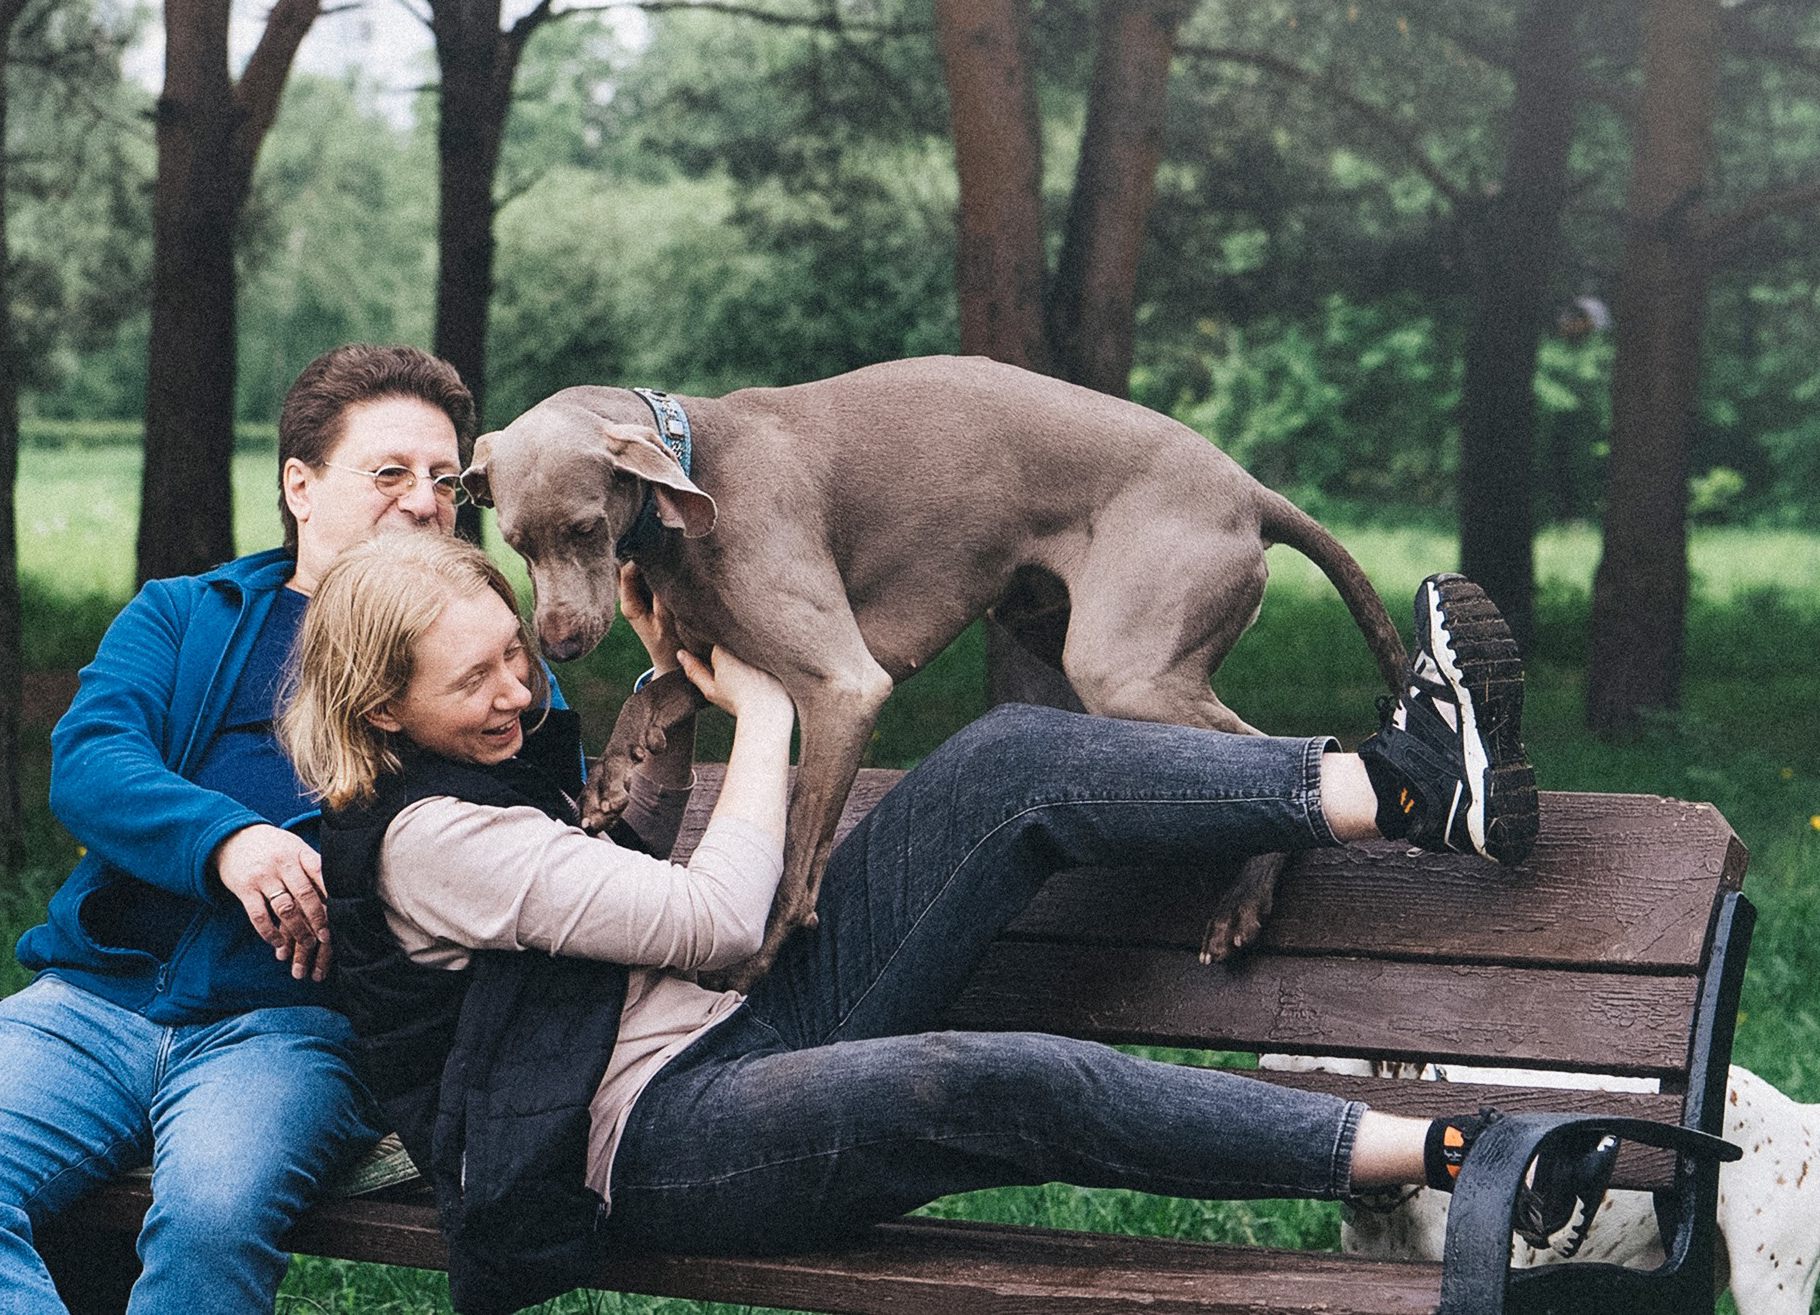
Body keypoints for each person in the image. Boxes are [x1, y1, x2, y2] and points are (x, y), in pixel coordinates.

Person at [282, 529, 1620, 1315]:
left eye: (514, 651)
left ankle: (1411, 786)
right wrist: (769, 712)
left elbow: (614, 872)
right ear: (379, 709)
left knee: (1005, 762)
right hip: (648, 1140)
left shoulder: (469, 763)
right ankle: (1458, 1154)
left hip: (737, 1029)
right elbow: (713, 914)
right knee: (991, 1079)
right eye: (474, 677)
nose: (518, 691)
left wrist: (666, 677)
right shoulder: (428, 838)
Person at [0, 345, 540, 1313]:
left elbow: (531, 819)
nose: (425, 501)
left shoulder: (477, 654)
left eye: (444, 479)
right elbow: (90, 755)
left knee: (211, 1218)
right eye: (389, 472)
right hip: (96, 1002)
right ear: (299, 486)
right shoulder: (186, 616)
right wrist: (228, 839)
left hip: (294, 1026)